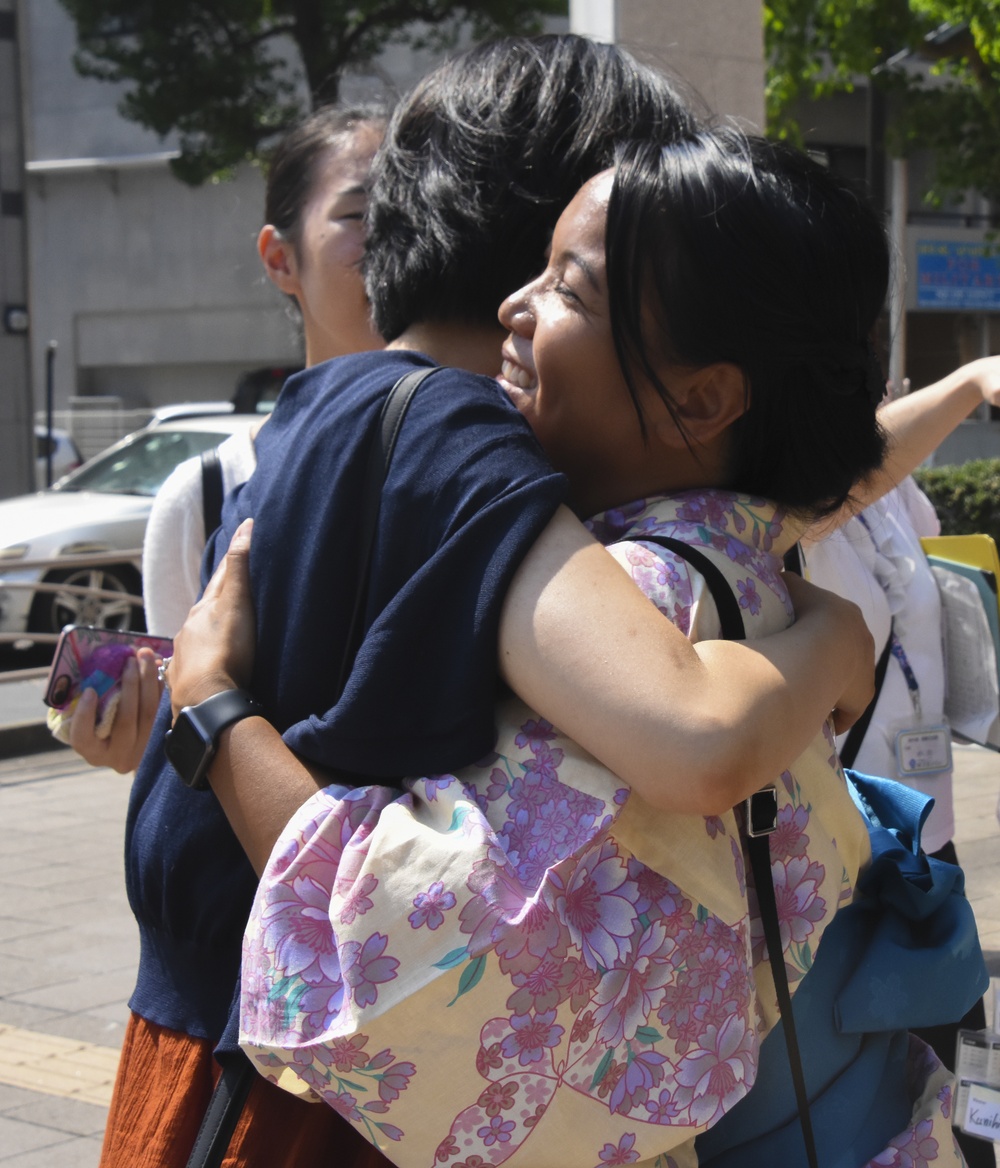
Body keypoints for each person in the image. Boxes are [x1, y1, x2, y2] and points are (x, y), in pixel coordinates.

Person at [102, 36, 876, 1168]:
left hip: (218, 1027)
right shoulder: (470, 448)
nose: (533, 302)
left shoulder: (335, 404)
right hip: (327, 1081)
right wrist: (834, 639)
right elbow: (691, 730)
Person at [228, 132, 984, 1167]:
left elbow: (404, 948)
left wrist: (209, 712)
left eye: (568, 290)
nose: (512, 307)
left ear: (704, 398)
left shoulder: (636, 602)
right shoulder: (752, 551)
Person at [70, 104, 387, 776]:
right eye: (360, 215)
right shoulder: (207, 494)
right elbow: (184, 754)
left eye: (415, 212)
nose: (397, 241)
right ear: (280, 258)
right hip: (275, 878)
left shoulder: (485, 453)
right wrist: (151, 742)